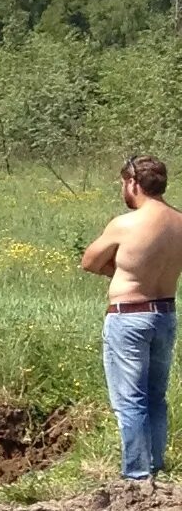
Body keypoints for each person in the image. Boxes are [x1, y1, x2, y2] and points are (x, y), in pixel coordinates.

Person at [81, 156, 182, 485]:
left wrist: (122, 271)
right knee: (156, 396)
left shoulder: (126, 224)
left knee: (130, 400)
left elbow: (90, 262)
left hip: (130, 316)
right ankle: (155, 467)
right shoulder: (179, 222)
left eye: (124, 183)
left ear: (134, 183)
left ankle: (137, 475)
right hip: (165, 313)